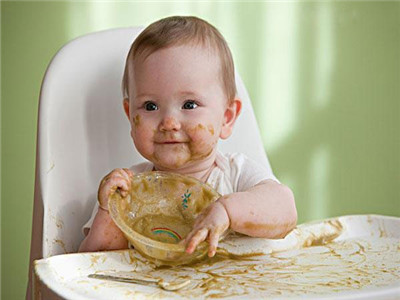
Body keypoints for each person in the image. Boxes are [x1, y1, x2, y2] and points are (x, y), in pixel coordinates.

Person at [79, 16, 297, 257]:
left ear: (226, 117)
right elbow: (93, 264)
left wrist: (227, 211)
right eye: (150, 106)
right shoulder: (126, 191)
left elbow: (285, 210)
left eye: (189, 104)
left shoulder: (235, 175)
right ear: (130, 116)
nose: (169, 123)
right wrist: (108, 211)